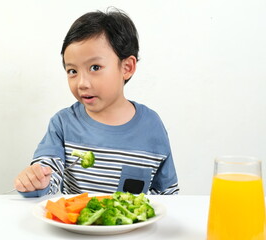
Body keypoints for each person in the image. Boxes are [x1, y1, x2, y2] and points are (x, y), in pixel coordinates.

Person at [14, 8, 179, 197]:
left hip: (133, 227)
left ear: (127, 67)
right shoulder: (63, 123)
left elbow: (167, 193)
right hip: (75, 225)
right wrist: (36, 181)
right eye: (72, 71)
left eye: (95, 67)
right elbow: (48, 175)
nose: (82, 83)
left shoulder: (152, 126)